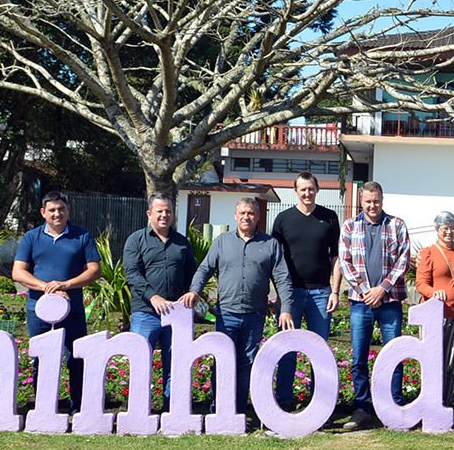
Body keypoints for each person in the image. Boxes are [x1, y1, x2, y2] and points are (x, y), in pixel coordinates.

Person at [181, 198, 294, 422]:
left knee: (246, 363)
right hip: (226, 314)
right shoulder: (222, 242)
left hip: (255, 315)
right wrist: (194, 290)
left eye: (251, 213)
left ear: (258, 216)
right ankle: (218, 409)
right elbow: (205, 269)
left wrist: (286, 309)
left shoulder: (270, 244)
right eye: (242, 213)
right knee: (222, 361)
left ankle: (239, 410)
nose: (246, 217)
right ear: (235, 216)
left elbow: (282, 278)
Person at [12, 190, 100, 412]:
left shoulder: (82, 236)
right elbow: (18, 272)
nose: (57, 213)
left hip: (73, 310)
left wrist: (65, 285)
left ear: (68, 210)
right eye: (51, 210)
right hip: (38, 310)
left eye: (61, 209)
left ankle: (78, 409)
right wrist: (48, 288)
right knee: (41, 359)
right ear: (43, 212)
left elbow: (94, 270)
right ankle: (44, 409)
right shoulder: (31, 237)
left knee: (76, 359)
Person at [336, 182, 411, 431]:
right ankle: (362, 409)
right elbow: (345, 262)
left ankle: (394, 407)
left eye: (376, 201)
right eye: (368, 201)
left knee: (393, 355)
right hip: (361, 303)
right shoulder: (349, 226)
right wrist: (365, 291)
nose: (372, 205)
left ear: (382, 200)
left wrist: (383, 289)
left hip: (389, 301)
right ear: (361, 201)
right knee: (359, 357)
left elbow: (403, 260)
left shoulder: (397, 225)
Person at [270, 172, 343, 410]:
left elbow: (336, 257)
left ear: (317, 190)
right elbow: (274, 260)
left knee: (319, 350)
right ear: (295, 191)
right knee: (286, 348)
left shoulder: (329, 217)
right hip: (290, 295)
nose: (307, 193)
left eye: (311, 189)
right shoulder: (283, 219)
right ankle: (284, 399)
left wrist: (335, 291)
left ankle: (320, 402)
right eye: (303, 189)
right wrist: (279, 294)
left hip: (321, 294)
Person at [123, 194, 196, 408]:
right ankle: (139, 410)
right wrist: (153, 296)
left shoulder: (182, 243)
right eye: (160, 211)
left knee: (175, 364)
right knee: (140, 362)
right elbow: (132, 273)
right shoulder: (136, 240)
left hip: (176, 314)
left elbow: (191, 274)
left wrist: (193, 293)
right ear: (149, 214)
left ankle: (171, 409)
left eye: (168, 211)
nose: (164, 215)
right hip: (145, 313)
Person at [415, 210, 454, 412]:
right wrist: (434, 293)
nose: (449, 232)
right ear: (437, 230)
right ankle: (429, 406)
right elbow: (421, 283)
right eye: (445, 228)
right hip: (433, 316)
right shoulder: (428, 253)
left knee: (449, 362)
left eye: (452, 228)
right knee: (431, 362)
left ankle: (445, 406)